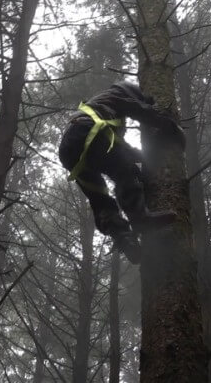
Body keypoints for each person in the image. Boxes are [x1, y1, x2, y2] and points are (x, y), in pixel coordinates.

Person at [58, 81, 185, 263]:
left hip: (69, 150)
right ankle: (139, 218)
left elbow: (114, 148)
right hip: (89, 132)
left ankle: (123, 237)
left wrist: (140, 157)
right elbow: (140, 110)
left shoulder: (100, 108)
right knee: (125, 170)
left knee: (100, 199)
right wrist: (169, 126)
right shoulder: (116, 97)